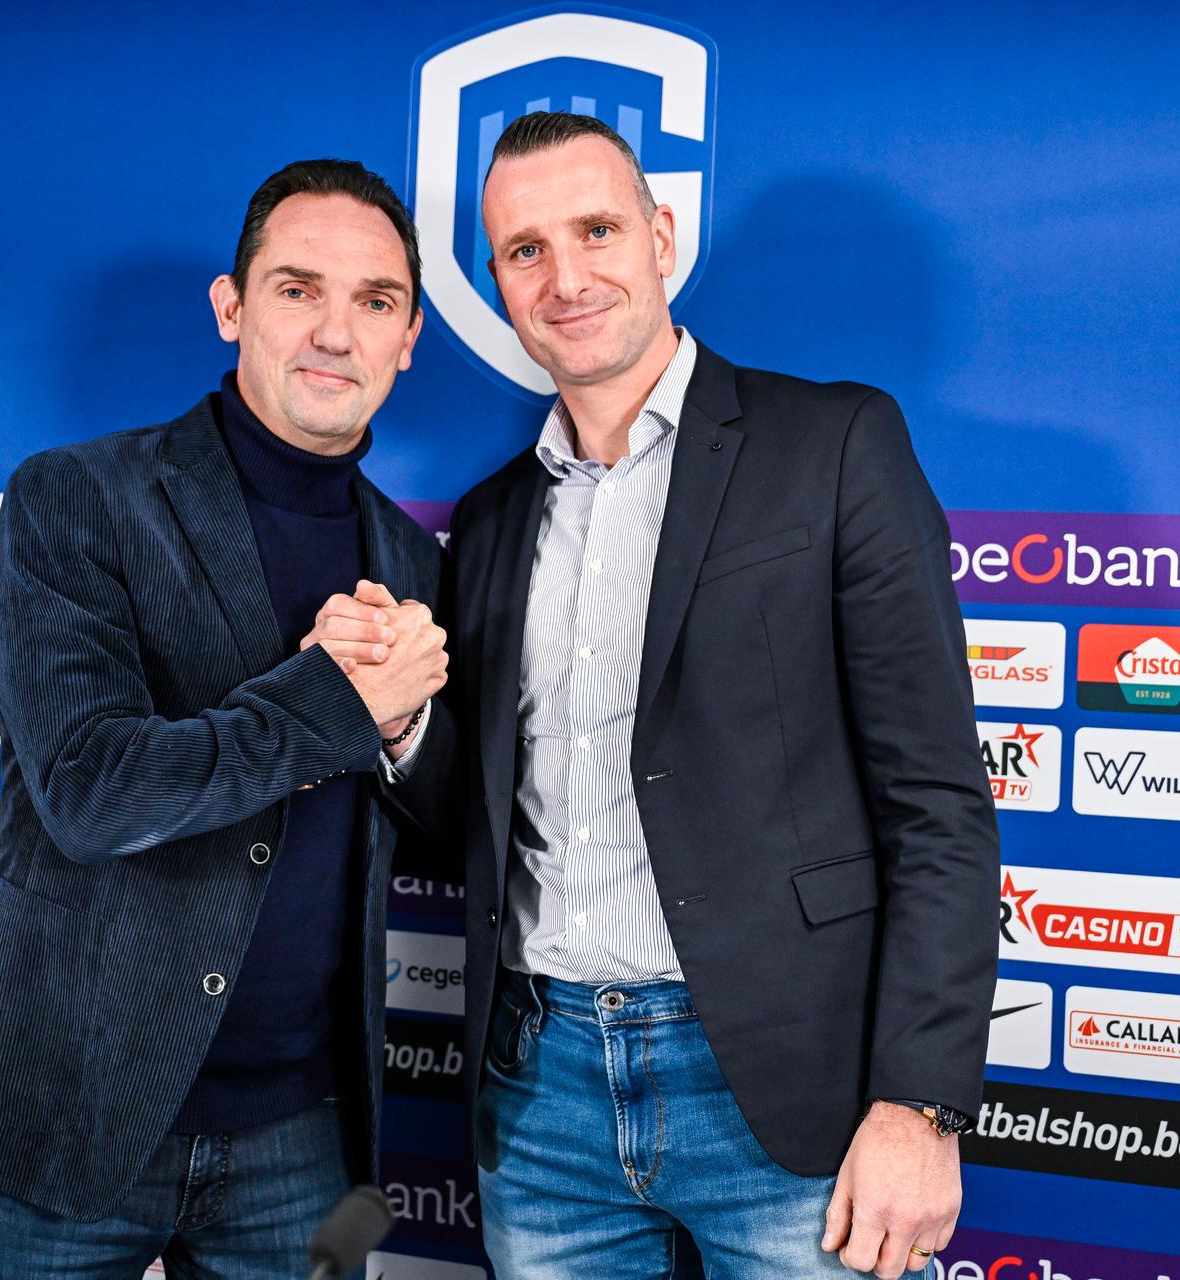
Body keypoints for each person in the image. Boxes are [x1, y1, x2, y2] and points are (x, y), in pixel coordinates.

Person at [324, 111, 1000, 1280]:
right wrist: (397, 719)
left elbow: (937, 799)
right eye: (525, 250)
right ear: (497, 282)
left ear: (662, 236)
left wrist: (922, 1103)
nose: (566, 275)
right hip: (540, 1096)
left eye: (596, 229)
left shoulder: (834, 442)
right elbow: (473, 818)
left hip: (790, 1090)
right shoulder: (488, 521)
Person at [0, 158, 448, 1280]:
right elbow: (95, 792)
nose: (335, 332)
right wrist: (336, 702)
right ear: (231, 307)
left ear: (410, 336)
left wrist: (401, 734)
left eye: (375, 301)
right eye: (298, 289)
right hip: (63, 1095)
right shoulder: (75, 498)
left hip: (305, 1124)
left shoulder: (408, 554)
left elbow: (427, 821)